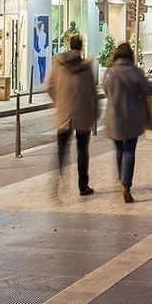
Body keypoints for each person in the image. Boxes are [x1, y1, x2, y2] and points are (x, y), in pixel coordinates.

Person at [103, 42, 152, 203]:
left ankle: (122, 180)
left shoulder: (109, 72)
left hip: (114, 117)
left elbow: (106, 92)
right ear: (130, 55)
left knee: (120, 150)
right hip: (132, 116)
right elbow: (149, 90)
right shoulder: (136, 71)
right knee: (130, 150)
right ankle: (126, 184)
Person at [47, 33, 98, 197]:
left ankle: (58, 182)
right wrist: (95, 112)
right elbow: (92, 92)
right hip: (82, 113)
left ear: (69, 45)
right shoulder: (86, 67)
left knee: (61, 149)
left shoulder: (58, 65)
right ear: (81, 46)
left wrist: (59, 101)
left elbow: (49, 86)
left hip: (63, 113)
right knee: (82, 150)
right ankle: (83, 186)